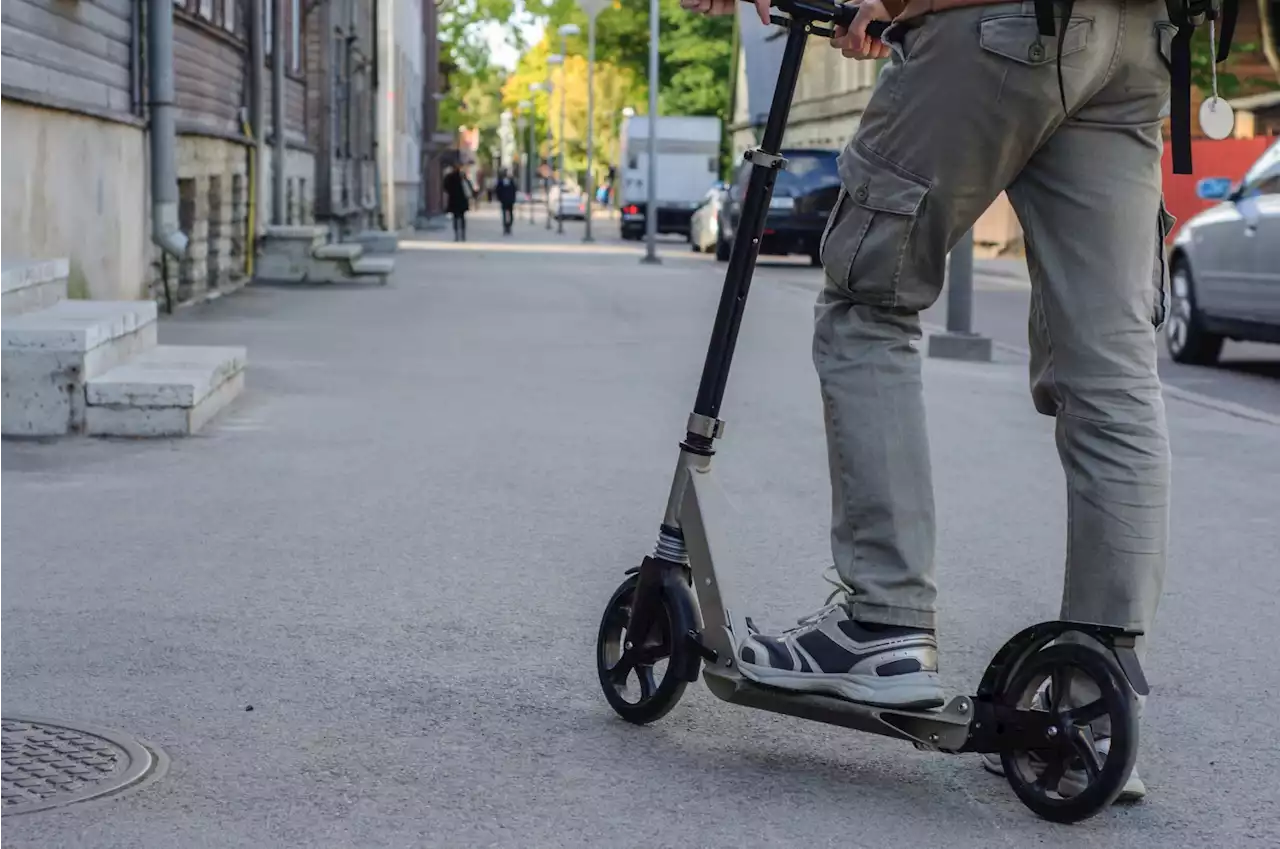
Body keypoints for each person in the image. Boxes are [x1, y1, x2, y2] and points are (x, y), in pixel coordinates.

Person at [682, 0, 1174, 803]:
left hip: (1001, 25)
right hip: (1138, 44)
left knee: (868, 297)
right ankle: (1091, 695)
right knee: (1112, 369)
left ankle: (885, 622)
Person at [442, 165, 474, 242]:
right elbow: (469, 186)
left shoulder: (450, 176)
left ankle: (457, 235)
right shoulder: (462, 176)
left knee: (456, 218)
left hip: (454, 200)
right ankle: (462, 234)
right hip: (462, 200)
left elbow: (445, 187)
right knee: (462, 218)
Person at [495, 169, 519, 235]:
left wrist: (513, 198)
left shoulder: (511, 181)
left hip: (510, 200)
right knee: (504, 214)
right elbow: (498, 190)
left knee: (510, 213)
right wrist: (500, 198)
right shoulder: (501, 182)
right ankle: (505, 226)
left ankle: (509, 226)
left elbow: (514, 190)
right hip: (504, 200)